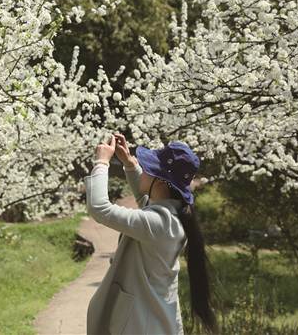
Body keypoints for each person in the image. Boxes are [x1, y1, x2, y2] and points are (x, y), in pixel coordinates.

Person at [83, 133, 217, 335]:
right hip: (152, 322)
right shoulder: (172, 216)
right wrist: (130, 164)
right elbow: (145, 199)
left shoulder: (158, 224)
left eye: (149, 168)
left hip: (140, 326)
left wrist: (101, 162)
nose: (144, 169)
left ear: (161, 182)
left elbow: (99, 208)